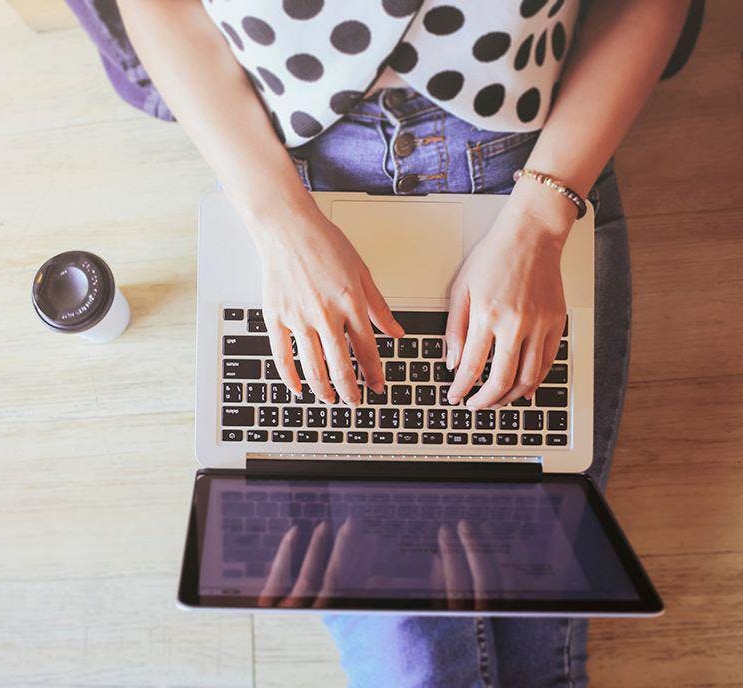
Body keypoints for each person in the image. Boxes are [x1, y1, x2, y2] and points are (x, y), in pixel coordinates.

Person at [68, 1, 694, 685]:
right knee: (419, 655)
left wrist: (540, 224)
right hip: (293, 173)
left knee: (521, 611)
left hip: (534, 162)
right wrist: (280, 223)